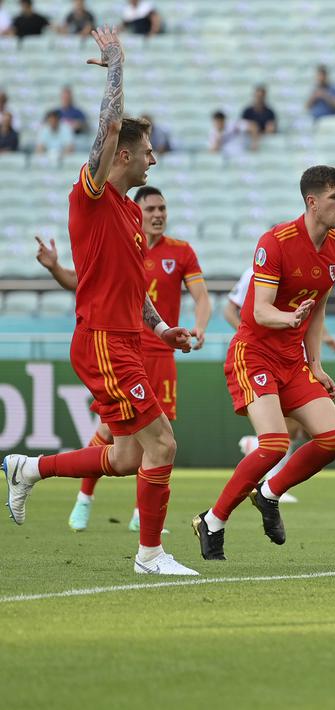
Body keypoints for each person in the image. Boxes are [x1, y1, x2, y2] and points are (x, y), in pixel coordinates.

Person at [2, 27, 197, 576]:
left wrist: (161, 330)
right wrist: (116, 64)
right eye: (148, 152)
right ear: (125, 155)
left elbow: (135, 291)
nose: (153, 161)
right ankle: (150, 556)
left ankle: (28, 468)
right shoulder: (89, 194)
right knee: (163, 444)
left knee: (131, 456)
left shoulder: (132, 214)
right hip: (104, 341)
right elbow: (110, 124)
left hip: (129, 338)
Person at [192, 165, 335, 562]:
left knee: (333, 439)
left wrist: (315, 366)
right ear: (312, 202)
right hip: (254, 353)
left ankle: (268, 493)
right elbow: (261, 312)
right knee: (276, 442)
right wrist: (288, 319)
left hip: (292, 361)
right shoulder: (276, 242)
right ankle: (212, 521)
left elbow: (317, 313)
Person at [36, 186, 211, 532]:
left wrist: (200, 327)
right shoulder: (120, 243)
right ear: (138, 212)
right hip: (120, 351)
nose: (159, 215)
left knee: (154, 440)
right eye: (151, 209)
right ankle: (84, 498)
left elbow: (202, 296)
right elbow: (81, 283)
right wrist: (56, 267)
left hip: (160, 355)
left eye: (163, 208)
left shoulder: (181, 252)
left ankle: (139, 515)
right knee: (111, 432)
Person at [224, 267, 335, 508]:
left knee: (303, 430)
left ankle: (268, 476)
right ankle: (271, 484)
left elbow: (312, 312)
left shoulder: (306, 272)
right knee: (283, 431)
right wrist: (250, 337)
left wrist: (325, 340)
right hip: (260, 358)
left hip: (294, 358)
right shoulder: (253, 273)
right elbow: (230, 309)